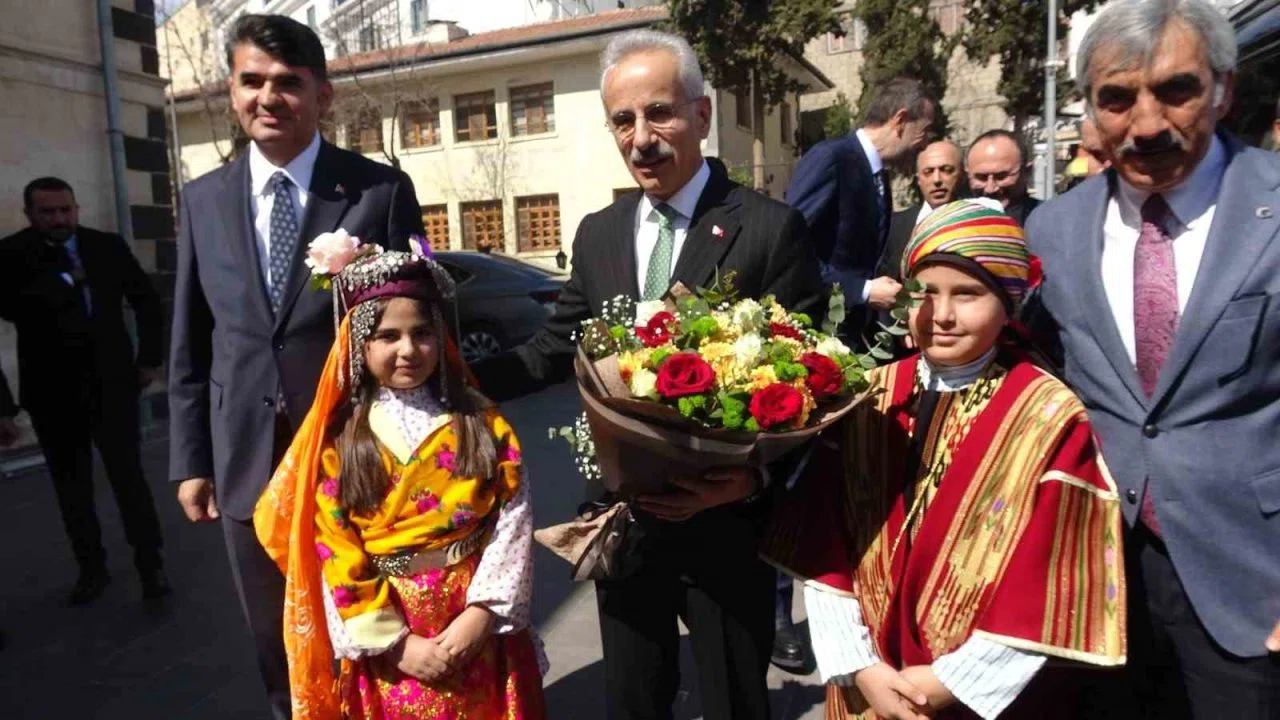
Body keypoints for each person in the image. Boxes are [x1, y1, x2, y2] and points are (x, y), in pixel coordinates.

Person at [472, 29, 823, 720]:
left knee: (734, 702)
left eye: (658, 113)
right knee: (635, 700)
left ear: (700, 115)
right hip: (624, 520)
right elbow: (553, 345)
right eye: (623, 120)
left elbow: (812, 383)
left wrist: (751, 477)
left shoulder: (767, 229)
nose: (641, 137)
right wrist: (450, 376)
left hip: (727, 526)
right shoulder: (599, 232)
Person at [766, 200, 1126, 720]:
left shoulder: (1049, 415)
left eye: (969, 294)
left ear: (1009, 304)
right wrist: (860, 665)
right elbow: (825, 543)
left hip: (975, 693)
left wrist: (946, 683)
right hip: (866, 677)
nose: (942, 315)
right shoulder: (869, 393)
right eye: (924, 292)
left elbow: (1048, 576)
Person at [1027, 1, 1280, 716]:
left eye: (1176, 89)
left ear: (1223, 88)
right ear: (1091, 108)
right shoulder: (1052, 228)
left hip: (1252, 585)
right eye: (1117, 98)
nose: (1146, 123)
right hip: (1098, 588)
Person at [167, 14, 423, 718]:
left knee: (372, 623)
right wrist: (192, 458)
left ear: (323, 95)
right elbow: (191, 340)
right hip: (247, 461)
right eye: (252, 81)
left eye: (287, 83)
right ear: (232, 90)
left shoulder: (377, 192)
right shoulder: (203, 200)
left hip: (359, 456)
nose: (267, 97)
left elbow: (420, 328)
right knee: (274, 637)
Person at [254, 245, 545, 719]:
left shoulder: (480, 422)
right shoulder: (343, 441)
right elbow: (335, 547)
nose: (408, 350)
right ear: (359, 345)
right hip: (392, 635)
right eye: (388, 336)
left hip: (473, 622)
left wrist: (482, 614)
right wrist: (394, 642)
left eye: (422, 333)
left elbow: (513, 518)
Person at [0, 177, 167, 605]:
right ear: (30, 215)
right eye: (48, 212)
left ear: (76, 209)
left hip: (112, 385)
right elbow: (14, 307)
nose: (59, 219)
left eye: (65, 210)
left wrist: (148, 359)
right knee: (71, 489)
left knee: (129, 480)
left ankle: (152, 566)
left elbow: (146, 299)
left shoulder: (105, 247)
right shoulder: (12, 255)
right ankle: (91, 569)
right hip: (51, 393)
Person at [787, 77, 937, 338]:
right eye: (924, 131)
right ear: (900, 120)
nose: (924, 144)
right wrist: (861, 291)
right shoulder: (832, 159)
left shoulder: (878, 175)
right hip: (821, 332)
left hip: (858, 334)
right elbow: (789, 249)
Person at [881, 139, 964, 281]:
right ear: (918, 179)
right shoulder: (892, 226)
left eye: (947, 170)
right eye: (928, 172)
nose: (937, 179)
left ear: (962, 174)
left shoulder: (978, 222)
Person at [966, 130, 1040, 225]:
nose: (990, 189)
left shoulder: (1049, 221)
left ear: (1027, 172)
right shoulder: (952, 225)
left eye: (1001, 177)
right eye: (982, 178)